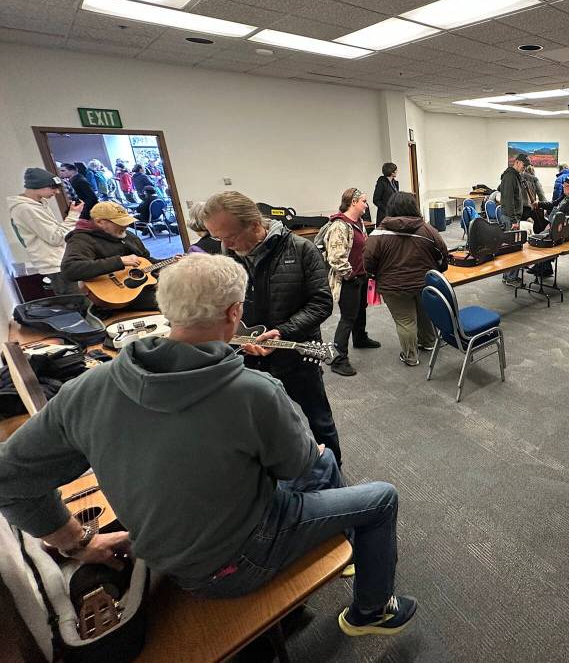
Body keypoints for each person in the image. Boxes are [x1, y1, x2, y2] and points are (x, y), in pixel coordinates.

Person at [0, 253, 418, 637]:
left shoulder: (87, 387)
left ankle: (336, 542)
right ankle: (372, 611)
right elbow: (295, 465)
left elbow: (10, 477)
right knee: (376, 496)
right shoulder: (255, 392)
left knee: (322, 467)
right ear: (235, 312)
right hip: (234, 563)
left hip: (167, 553)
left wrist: (76, 541)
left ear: (165, 310)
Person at [199, 191, 341, 462]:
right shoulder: (227, 255)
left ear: (254, 225)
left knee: (320, 422)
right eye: (218, 238)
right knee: (260, 428)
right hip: (247, 361)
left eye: (229, 236)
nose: (224, 244)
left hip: (296, 356)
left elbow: (322, 304)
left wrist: (283, 331)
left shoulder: (302, 249)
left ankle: (333, 475)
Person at [364, 191, 448, 367]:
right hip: (424, 283)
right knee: (425, 314)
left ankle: (411, 356)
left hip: (393, 287)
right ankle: (429, 343)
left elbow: (369, 261)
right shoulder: (428, 230)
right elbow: (442, 254)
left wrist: (373, 275)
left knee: (405, 321)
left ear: (391, 208)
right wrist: (438, 271)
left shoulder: (378, 234)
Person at [61, 201, 158, 311]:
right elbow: (70, 269)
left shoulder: (127, 235)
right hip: (115, 297)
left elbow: (146, 259)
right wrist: (119, 261)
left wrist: (170, 262)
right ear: (99, 222)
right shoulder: (82, 239)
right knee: (173, 303)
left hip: (141, 285)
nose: (125, 225)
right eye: (119, 222)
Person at [324, 188, 380, 377]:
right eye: (364, 201)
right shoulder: (340, 225)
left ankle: (360, 338)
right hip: (349, 279)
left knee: (360, 309)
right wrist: (351, 276)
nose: (367, 204)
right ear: (353, 202)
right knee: (348, 317)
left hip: (360, 275)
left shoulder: (358, 222)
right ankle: (338, 360)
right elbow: (335, 258)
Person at [7, 167, 82, 295]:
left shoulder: (39, 203)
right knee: (76, 305)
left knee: (78, 303)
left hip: (59, 261)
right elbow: (55, 238)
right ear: (38, 186)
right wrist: (74, 215)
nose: (57, 192)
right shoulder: (25, 209)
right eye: (53, 187)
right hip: (54, 265)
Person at [498, 153, 530, 284]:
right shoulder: (511, 176)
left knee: (510, 247)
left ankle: (508, 275)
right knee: (513, 248)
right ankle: (510, 276)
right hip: (510, 218)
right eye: (524, 165)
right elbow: (509, 200)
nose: (525, 168)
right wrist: (514, 221)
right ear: (517, 162)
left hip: (510, 217)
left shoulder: (513, 176)